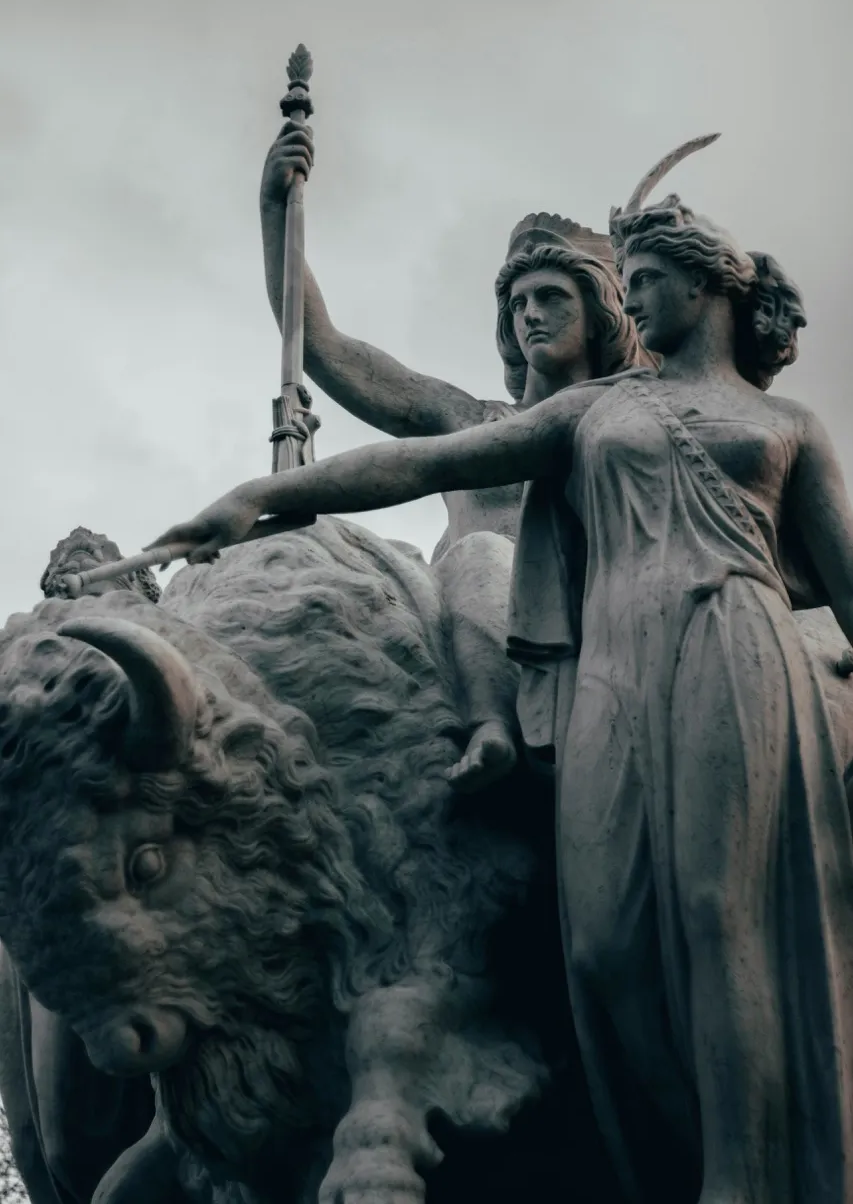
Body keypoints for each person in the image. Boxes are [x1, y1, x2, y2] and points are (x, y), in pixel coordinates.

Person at [149, 138, 853, 1202]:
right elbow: (392, 430)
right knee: (605, 947)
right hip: (587, 663)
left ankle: (740, 1176)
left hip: (724, 641)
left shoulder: (768, 420)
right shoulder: (556, 418)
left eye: (621, 285)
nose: (532, 314)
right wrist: (262, 489)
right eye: (516, 298)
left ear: (679, 290)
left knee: (717, 911)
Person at [262, 123, 645, 786]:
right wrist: (274, 210)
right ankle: (491, 729)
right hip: (485, 648)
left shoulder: (632, 425)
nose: (530, 314)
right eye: (517, 303)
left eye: (551, 297)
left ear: (601, 311)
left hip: (606, 631)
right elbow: (323, 347)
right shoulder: (467, 420)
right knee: (481, 555)